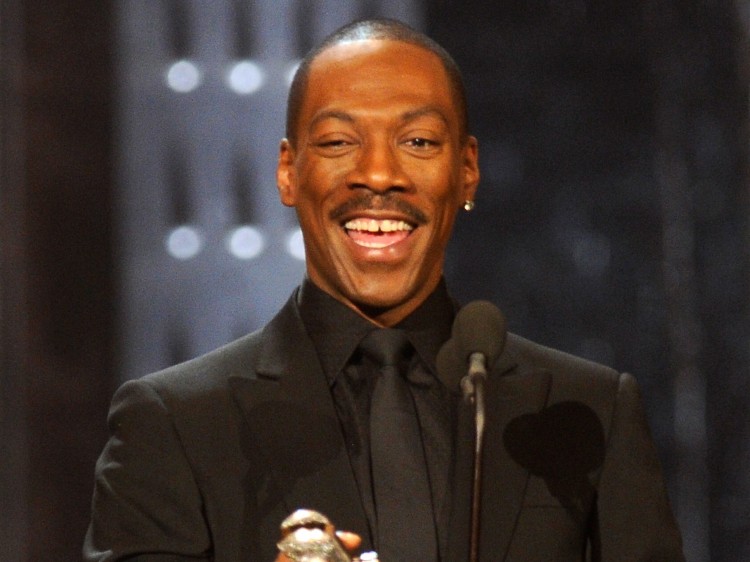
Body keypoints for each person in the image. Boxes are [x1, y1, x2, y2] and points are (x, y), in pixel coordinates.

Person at [84, 18, 685, 562]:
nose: (378, 175)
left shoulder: (587, 413)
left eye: (418, 141)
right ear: (289, 172)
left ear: (467, 170)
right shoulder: (174, 425)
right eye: (338, 142)